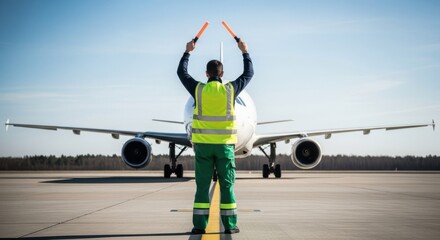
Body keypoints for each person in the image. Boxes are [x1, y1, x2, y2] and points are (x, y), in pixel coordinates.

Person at [177, 38, 253, 234]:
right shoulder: (230, 90)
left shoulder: (198, 89)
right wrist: (244, 51)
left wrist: (188, 52)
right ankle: (229, 226)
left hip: (202, 147)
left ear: (206, 74)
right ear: (223, 74)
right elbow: (248, 73)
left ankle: (199, 226)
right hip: (224, 147)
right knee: (227, 187)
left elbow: (181, 73)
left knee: (202, 187)